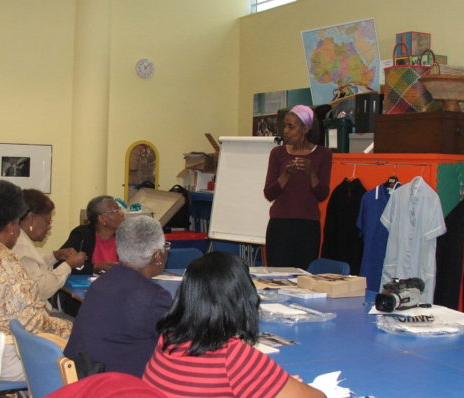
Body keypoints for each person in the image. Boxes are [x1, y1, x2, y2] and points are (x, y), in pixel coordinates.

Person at [143, 252, 325, 398]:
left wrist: (273, 385)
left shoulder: (168, 339)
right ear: (244, 297)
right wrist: (282, 386)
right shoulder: (233, 356)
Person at [0, 179, 72, 382]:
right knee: (90, 346)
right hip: (6, 354)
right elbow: (32, 325)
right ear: (11, 227)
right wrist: (73, 329)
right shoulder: (5, 262)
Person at [64, 215, 172, 377]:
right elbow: (177, 345)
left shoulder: (101, 283)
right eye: (166, 246)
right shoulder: (154, 297)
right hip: (120, 385)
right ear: (157, 255)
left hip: (85, 378)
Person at [263, 105, 332, 268]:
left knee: (303, 278)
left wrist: (311, 173)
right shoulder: (277, 153)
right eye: (285, 126)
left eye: (291, 126)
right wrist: (286, 174)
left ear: (306, 128)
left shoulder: (323, 154)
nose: (285, 131)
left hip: (307, 227)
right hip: (279, 225)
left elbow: (322, 194)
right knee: (276, 277)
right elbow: (269, 193)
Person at [12, 189, 86, 311]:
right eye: (48, 221)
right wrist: (69, 264)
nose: (49, 226)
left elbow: (32, 268)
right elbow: (43, 290)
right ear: (31, 218)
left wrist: (55, 256)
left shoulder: (19, 239)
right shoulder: (21, 245)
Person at [56, 195, 125, 275]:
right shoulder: (82, 234)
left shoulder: (124, 236)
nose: (122, 213)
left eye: (119, 209)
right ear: (102, 218)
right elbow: (60, 265)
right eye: (116, 211)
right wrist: (93, 268)